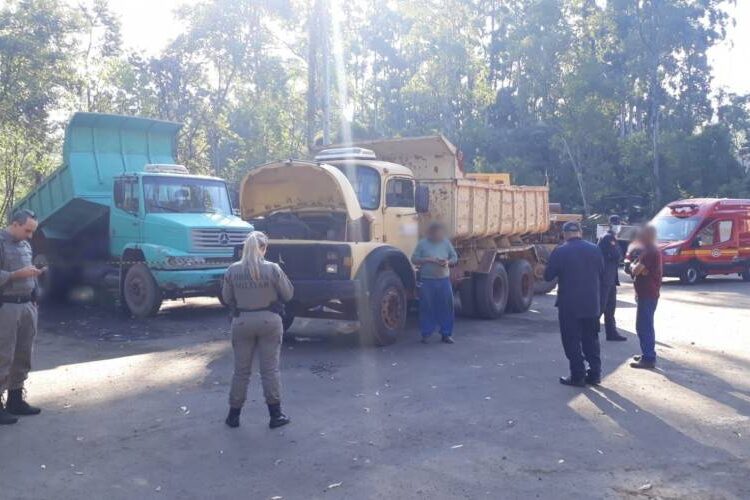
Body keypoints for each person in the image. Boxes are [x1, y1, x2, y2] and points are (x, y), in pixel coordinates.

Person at [221, 231, 294, 429]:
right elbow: (288, 294)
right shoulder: (273, 269)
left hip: (242, 322)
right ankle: (275, 415)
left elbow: (226, 298)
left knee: (241, 372)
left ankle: (233, 416)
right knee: (269, 370)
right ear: (263, 248)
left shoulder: (232, 270)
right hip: (269, 322)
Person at [544, 221, 604, 386]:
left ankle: (577, 375)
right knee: (591, 339)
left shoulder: (560, 251)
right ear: (580, 232)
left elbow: (548, 276)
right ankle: (595, 373)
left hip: (569, 304)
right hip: (591, 303)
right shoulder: (595, 249)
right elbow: (601, 270)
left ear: (564, 234)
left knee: (571, 340)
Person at [0, 209, 45, 425]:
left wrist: (34, 288)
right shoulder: (1, 242)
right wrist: (18, 275)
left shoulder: (25, 244)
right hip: (6, 307)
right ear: (15, 224)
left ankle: (15, 400)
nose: (30, 235)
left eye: (32, 231)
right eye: (27, 230)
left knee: (23, 354)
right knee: (3, 356)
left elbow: (29, 271)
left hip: (27, 305)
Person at [411, 222, 458, 344]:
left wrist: (447, 262)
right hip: (428, 280)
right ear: (431, 233)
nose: (439, 235)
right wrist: (427, 259)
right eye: (437, 232)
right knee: (427, 307)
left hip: (443, 280)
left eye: (441, 232)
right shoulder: (423, 244)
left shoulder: (446, 243)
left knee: (446, 307)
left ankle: (446, 334)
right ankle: (426, 333)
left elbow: (454, 257)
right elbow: (414, 259)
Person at [629, 225, 662, 369]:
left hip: (648, 294)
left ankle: (648, 358)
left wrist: (631, 266)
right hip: (647, 293)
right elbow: (641, 270)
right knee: (644, 325)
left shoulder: (649, 251)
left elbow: (637, 270)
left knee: (644, 326)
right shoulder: (649, 250)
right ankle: (647, 353)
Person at [598, 215, 627, 341]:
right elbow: (617, 255)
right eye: (615, 223)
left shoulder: (613, 238)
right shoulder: (608, 238)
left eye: (618, 223)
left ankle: (611, 332)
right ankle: (589, 331)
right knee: (601, 306)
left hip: (611, 278)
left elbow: (618, 255)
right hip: (605, 277)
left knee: (610, 307)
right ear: (610, 224)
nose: (617, 225)